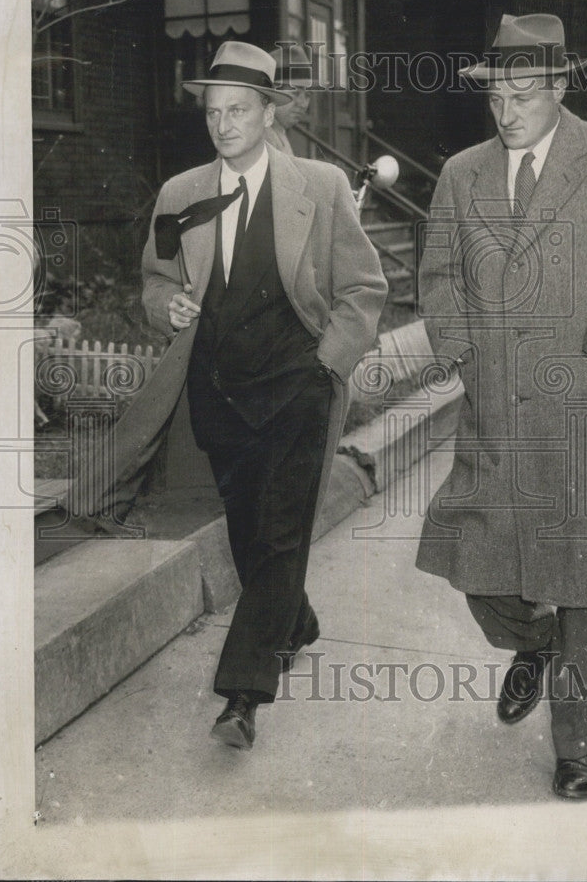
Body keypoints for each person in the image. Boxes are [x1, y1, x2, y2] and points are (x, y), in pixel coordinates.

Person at [416, 13, 587, 800]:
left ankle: (576, 748)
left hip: (586, 426)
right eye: (496, 96)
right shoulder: (461, 173)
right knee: (476, 572)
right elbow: (437, 278)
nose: (507, 112)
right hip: (496, 421)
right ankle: (527, 643)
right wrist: (463, 349)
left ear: (559, 87)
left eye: (524, 95)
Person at [140, 41, 387, 749]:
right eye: (214, 112)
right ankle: (294, 620)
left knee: (280, 533)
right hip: (217, 394)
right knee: (251, 532)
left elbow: (364, 290)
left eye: (239, 110)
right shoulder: (180, 194)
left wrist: (327, 363)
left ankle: (242, 695)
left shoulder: (321, 185)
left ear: (269, 112)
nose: (223, 125)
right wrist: (167, 307)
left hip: (298, 389)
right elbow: (153, 280)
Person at [264, 43, 313, 156]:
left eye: (307, 95)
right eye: (295, 93)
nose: (303, 104)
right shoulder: (259, 137)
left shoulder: (278, 131)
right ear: (270, 92)